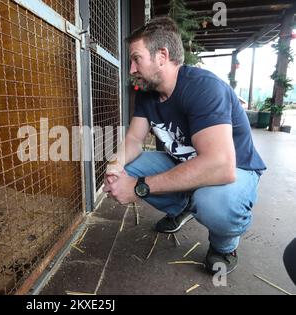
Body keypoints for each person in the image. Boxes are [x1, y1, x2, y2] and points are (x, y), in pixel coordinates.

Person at [103, 16, 266, 275]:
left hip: (236, 169)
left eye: (136, 59)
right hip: (187, 163)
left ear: (162, 56)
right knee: (128, 166)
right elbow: (134, 139)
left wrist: (140, 188)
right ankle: (183, 208)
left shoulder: (203, 88)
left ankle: (224, 245)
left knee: (215, 201)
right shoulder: (148, 92)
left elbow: (220, 167)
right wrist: (115, 165)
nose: (132, 69)